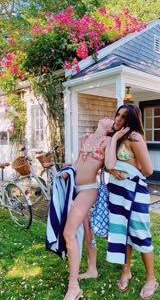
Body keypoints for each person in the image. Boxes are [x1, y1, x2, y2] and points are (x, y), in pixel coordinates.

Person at [105, 104, 158, 299]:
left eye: (124, 117)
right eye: (117, 115)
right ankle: (126, 271)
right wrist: (112, 169)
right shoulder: (117, 137)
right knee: (123, 233)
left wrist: (130, 175)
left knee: (141, 233)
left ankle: (151, 278)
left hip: (134, 192)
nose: (118, 119)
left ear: (132, 120)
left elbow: (149, 169)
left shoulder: (135, 138)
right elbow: (108, 163)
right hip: (117, 193)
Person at [62, 117, 114, 300]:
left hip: (89, 190)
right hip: (75, 189)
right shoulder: (86, 138)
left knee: (69, 233)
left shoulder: (108, 141)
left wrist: (115, 139)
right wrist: (70, 168)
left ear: (111, 128)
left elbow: (109, 165)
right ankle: (92, 269)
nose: (108, 118)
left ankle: (73, 286)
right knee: (87, 230)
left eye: (112, 119)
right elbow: (78, 163)